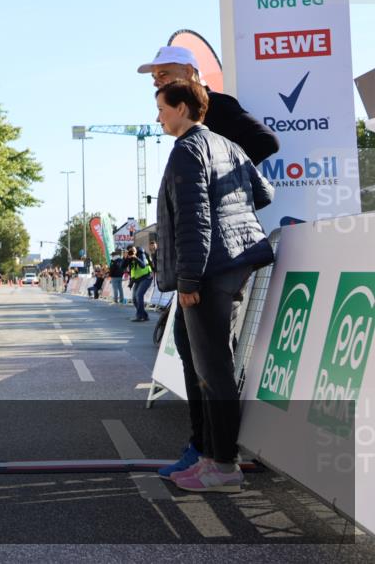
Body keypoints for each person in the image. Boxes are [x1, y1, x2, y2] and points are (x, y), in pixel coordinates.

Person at [138, 46, 281, 479]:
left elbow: (196, 220)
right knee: (200, 357)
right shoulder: (219, 144)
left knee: (212, 366)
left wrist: (187, 279)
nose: (158, 84)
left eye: (165, 77)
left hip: (209, 265)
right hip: (230, 260)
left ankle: (219, 461)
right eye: (155, 78)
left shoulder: (196, 142)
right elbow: (263, 193)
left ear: (188, 84)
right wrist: (229, 195)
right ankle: (206, 452)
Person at [137, 46, 279, 165]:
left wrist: (223, 177)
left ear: (188, 71)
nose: (155, 82)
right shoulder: (188, 112)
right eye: (154, 77)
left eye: (163, 74)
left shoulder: (215, 103)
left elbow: (266, 141)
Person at [123, 245, 152, 321]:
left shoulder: (141, 254)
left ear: (136, 249)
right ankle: (144, 315)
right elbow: (122, 267)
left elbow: (143, 265)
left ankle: (139, 316)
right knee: (134, 299)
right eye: (130, 251)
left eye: (133, 250)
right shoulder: (129, 257)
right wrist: (126, 258)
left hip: (146, 277)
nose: (132, 252)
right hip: (137, 280)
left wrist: (135, 257)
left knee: (139, 295)